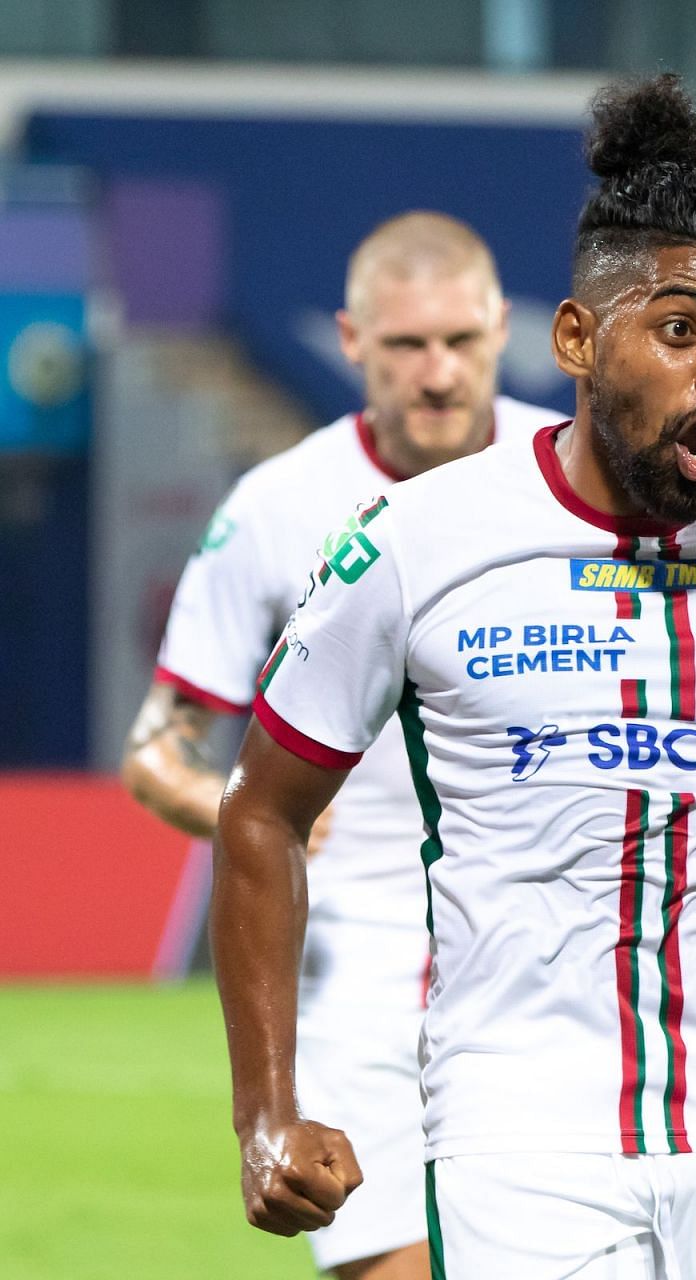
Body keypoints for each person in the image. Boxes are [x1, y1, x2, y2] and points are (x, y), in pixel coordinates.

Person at [211, 75, 696, 1278]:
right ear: (575, 339)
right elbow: (261, 814)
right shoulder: (411, 541)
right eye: (680, 330)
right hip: (517, 1138)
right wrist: (266, 1109)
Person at [122, 210, 558, 1280]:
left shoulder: (580, 475)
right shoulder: (277, 507)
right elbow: (156, 747)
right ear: (352, 341)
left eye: (460, 339)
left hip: (548, 949)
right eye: (408, 345)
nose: (439, 371)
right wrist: (245, 807)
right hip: (352, 960)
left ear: (504, 327)